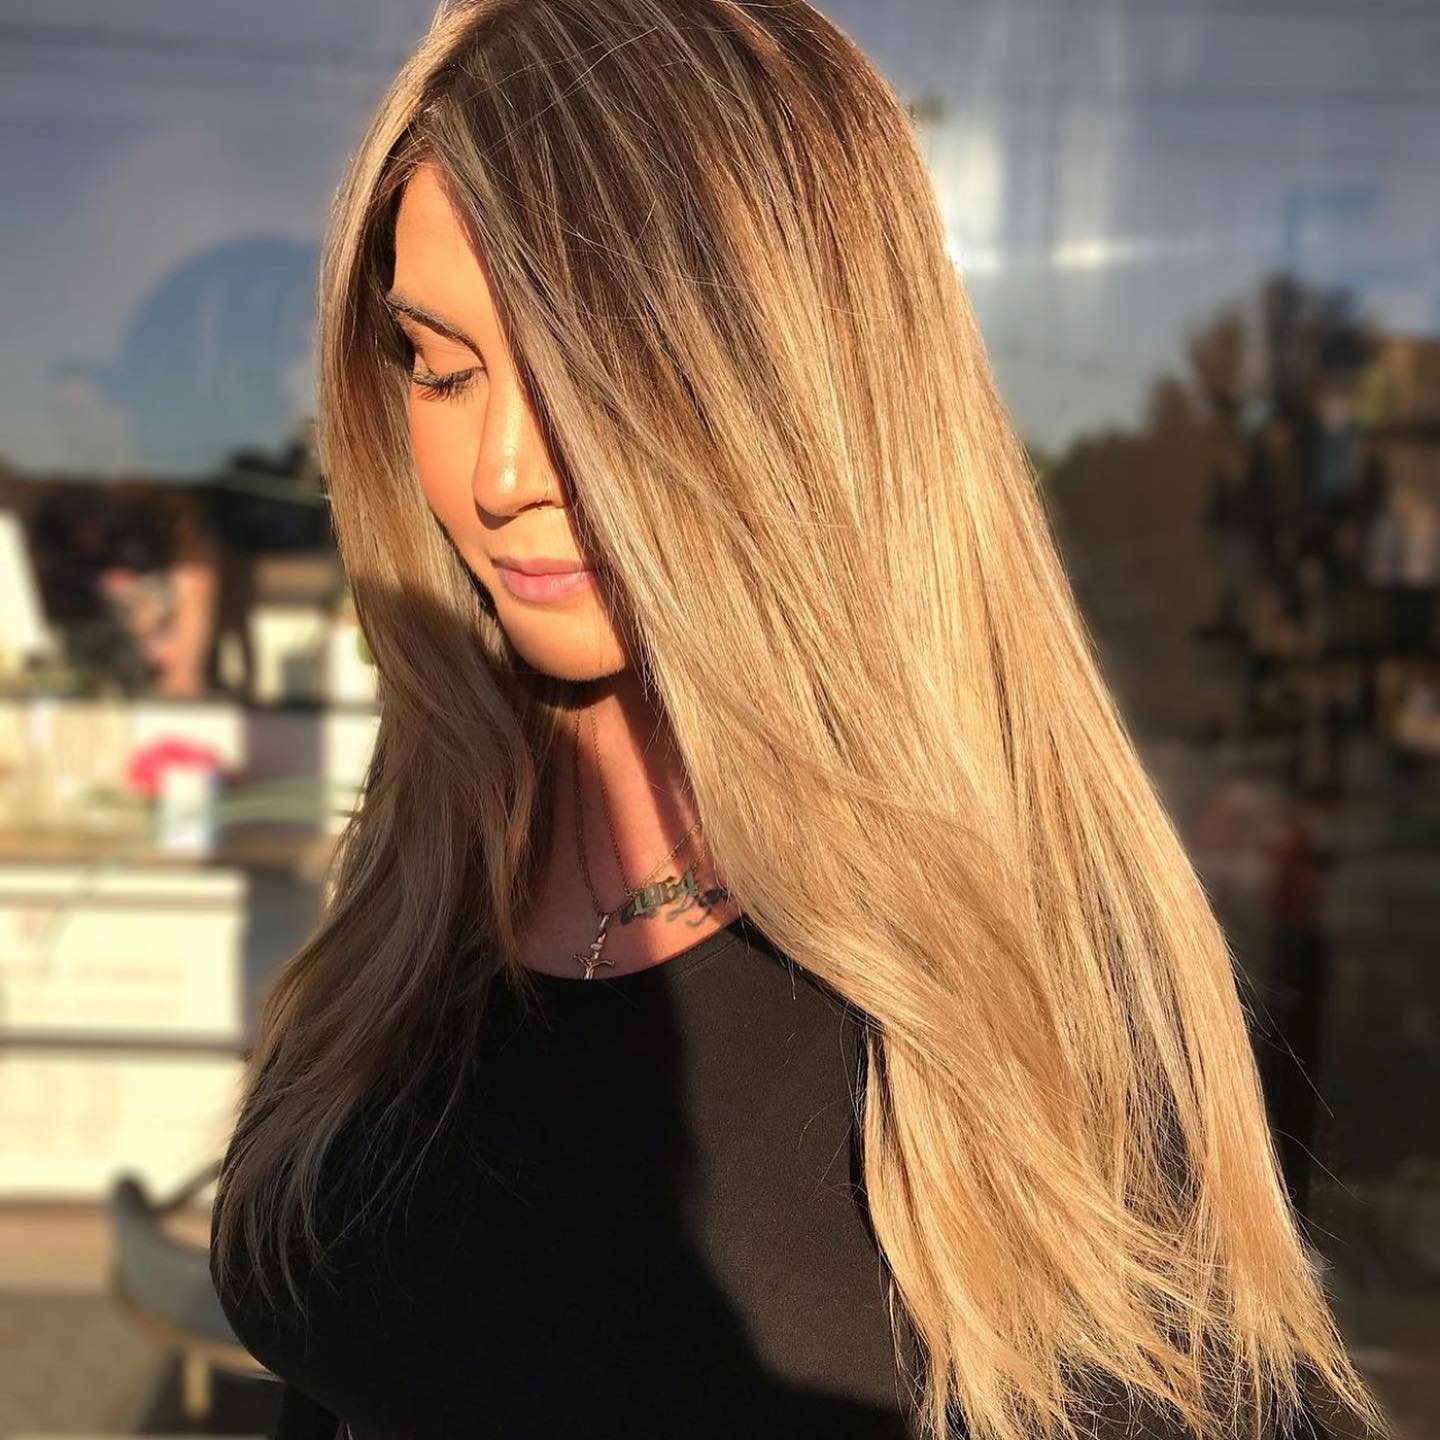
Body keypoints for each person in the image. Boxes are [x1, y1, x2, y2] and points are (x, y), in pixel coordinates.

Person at [208, 4, 1387, 1440]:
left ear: (786, 387)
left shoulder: (1018, 985)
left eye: (582, 372)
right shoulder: (439, 847)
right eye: (444, 369)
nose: (502, 470)